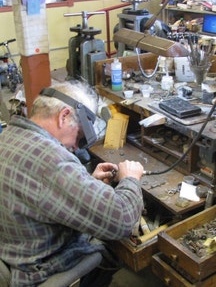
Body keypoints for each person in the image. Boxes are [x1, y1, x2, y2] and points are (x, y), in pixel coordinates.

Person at [0, 82, 144, 286]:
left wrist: (86, 182)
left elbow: (40, 192)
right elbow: (122, 221)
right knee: (113, 248)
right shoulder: (52, 160)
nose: (77, 147)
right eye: (80, 135)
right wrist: (130, 178)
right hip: (37, 268)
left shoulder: (10, 137)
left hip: (13, 251)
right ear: (64, 116)